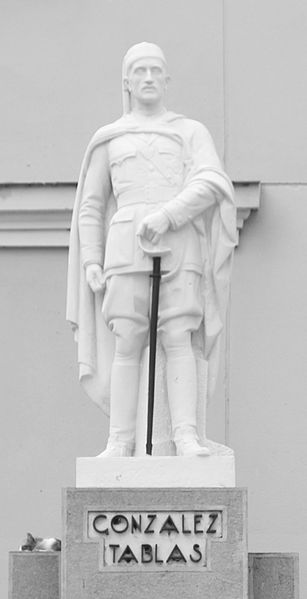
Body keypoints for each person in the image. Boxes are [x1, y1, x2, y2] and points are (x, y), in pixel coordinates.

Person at [67, 42, 236, 457]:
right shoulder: (109, 138)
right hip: (124, 248)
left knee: (179, 336)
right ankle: (119, 441)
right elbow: (90, 205)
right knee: (128, 341)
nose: (147, 78)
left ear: (167, 80)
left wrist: (170, 215)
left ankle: (185, 436)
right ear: (126, 82)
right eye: (139, 71)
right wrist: (91, 259)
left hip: (180, 247)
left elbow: (213, 182)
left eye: (155, 71)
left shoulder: (189, 131)